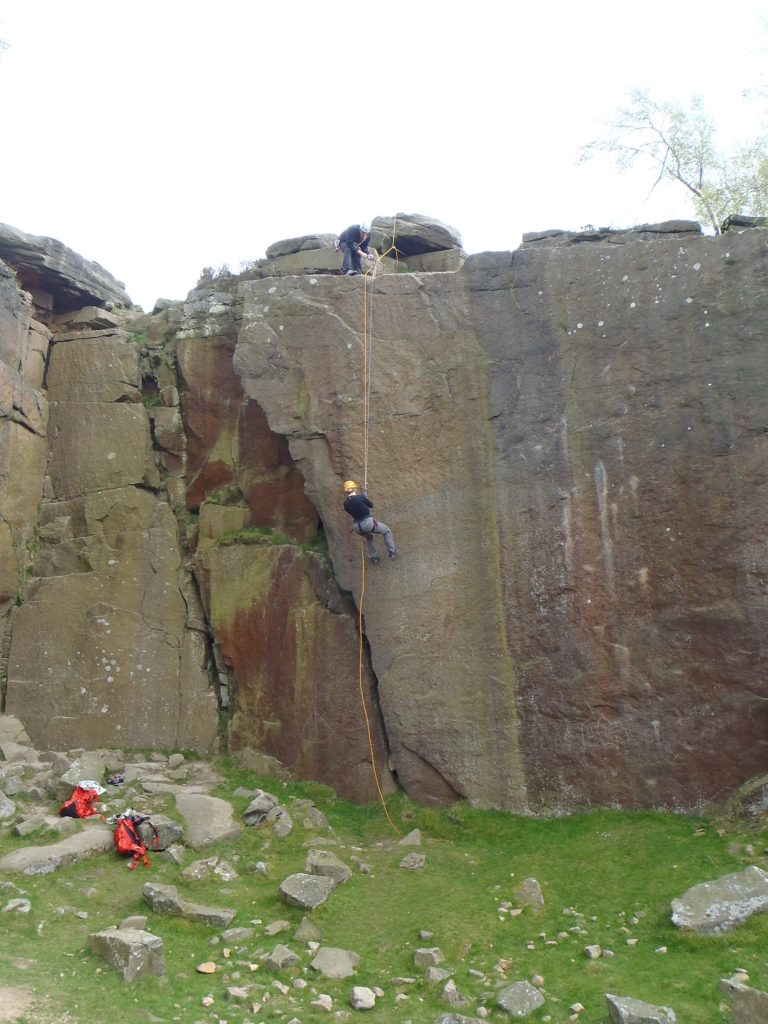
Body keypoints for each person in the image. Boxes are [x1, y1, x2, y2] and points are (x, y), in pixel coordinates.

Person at [343, 480, 398, 562]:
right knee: (386, 530)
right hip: (367, 523)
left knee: (369, 537)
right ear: (354, 488)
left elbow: (357, 505)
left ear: (346, 491)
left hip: (357, 527)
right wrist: (365, 497)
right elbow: (370, 505)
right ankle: (392, 552)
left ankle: (374, 557)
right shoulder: (361, 497)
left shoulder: (345, 504)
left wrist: (364, 496)